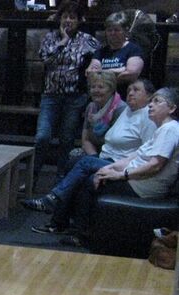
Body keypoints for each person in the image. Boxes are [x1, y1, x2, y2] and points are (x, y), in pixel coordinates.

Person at [27, 87, 179, 245]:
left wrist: (121, 175)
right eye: (151, 101)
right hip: (135, 178)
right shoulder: (162, 129)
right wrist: (110, 169)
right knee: (87, 169)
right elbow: (134, 157)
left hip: (142, 187)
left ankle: (69, 220)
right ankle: (71, 223)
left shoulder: (170, 130)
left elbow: (155, 165)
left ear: (172, 108)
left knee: (87, 176)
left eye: (157, 101)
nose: (150, 105)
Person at [22, 78, 156, 222]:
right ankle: (58, 221)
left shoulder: (147, 117)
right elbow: (89, 138)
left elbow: (146, 152)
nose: (130, 93)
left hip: (120, 164)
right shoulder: (127, 111)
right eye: (129, 90)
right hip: (105, 158)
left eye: (136, 90)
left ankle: (54, 206)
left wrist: (118, 169)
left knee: (86, 170)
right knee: (73, 161)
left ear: (149, 96)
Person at [34, 0, 100, 182]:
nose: (68, 20)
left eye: (72, 17)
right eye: (65, 17)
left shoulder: (87, 41)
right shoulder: (50, 38)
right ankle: (33, 176)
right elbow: (46, 59)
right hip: (51, 96)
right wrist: (63, 41)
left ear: (79, 20)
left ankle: (61, 180)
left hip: (75, 97)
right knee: (42, 137)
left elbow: (100, 56)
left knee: (67, 140)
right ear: (59, 19)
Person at [86, 11, 145, 97]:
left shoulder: (133, 49)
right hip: (102, 98)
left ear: (125, 31)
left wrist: (100, 73)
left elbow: (131, 74)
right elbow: (90, 73)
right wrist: (121, 69)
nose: (112, 33)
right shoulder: (100, 52)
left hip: (124, 98)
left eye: (117, 30)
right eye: (109, 30)